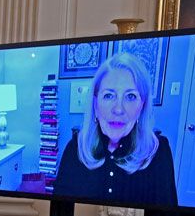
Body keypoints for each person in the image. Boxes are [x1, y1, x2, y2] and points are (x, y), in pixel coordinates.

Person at [54, 52, 177, 206]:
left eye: (130, 96)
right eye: (108, 96)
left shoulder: (158, 151)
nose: (118, 109)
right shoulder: (76, 147)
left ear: (142, 106)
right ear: (95, 104)